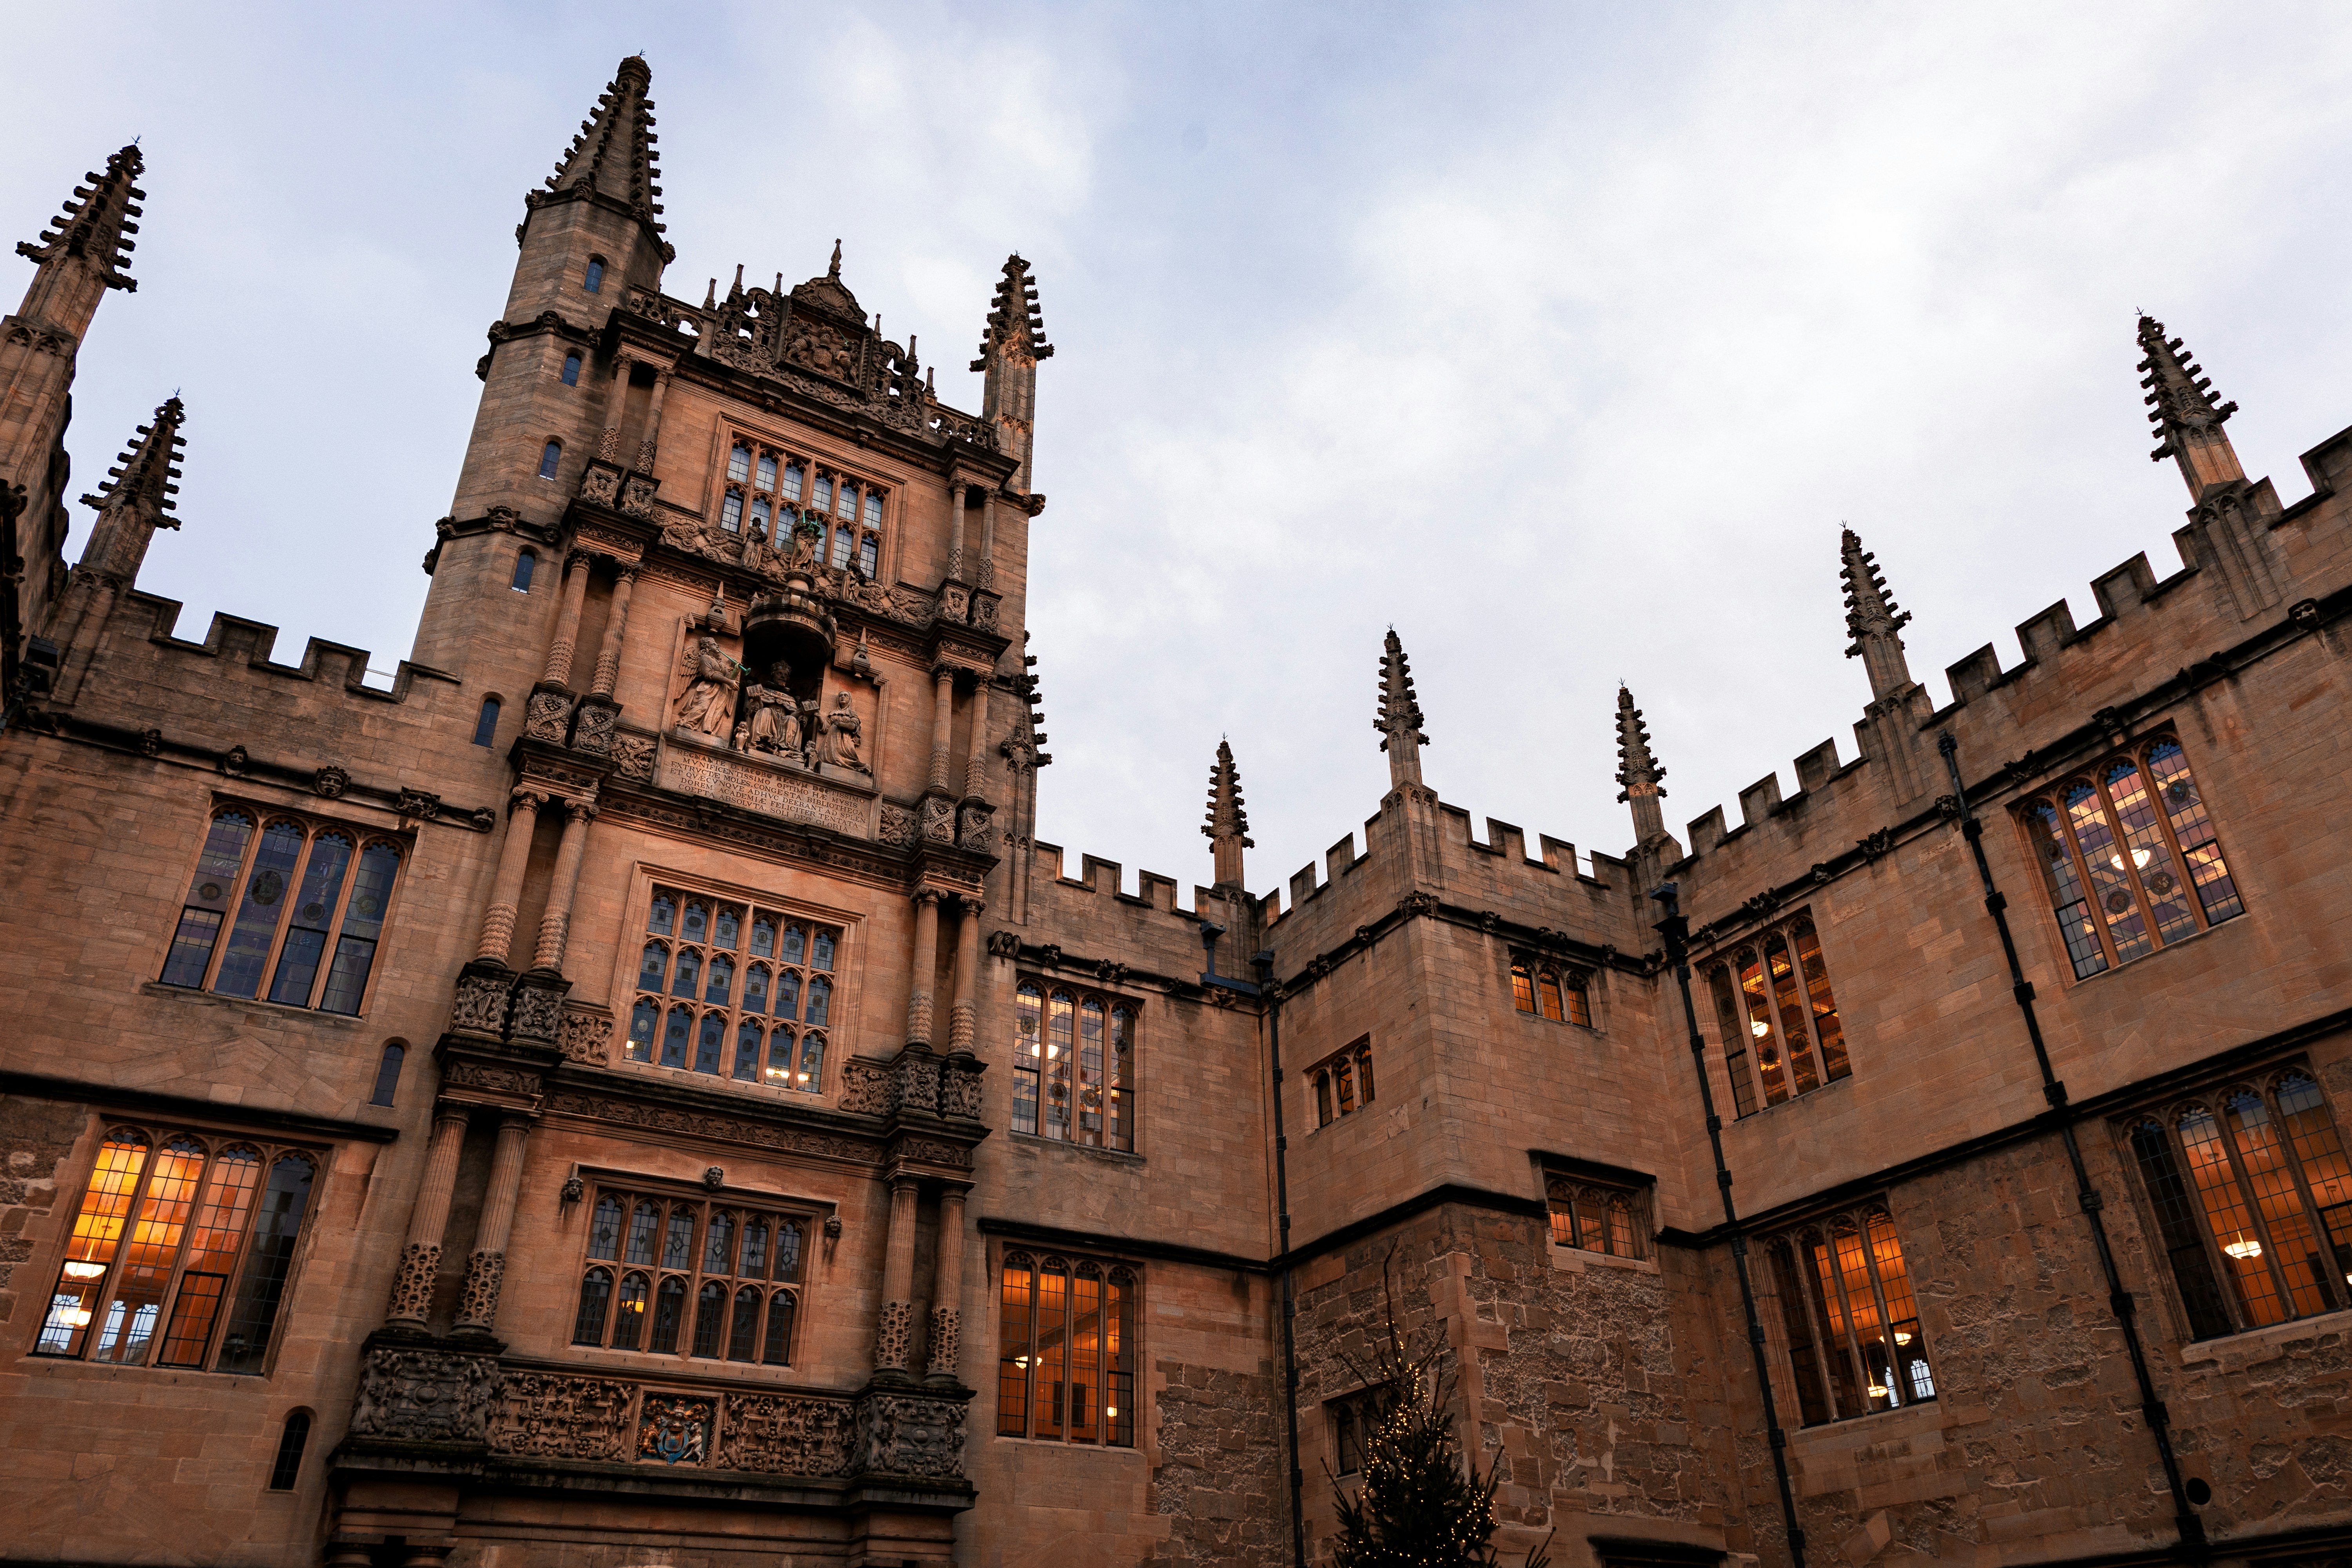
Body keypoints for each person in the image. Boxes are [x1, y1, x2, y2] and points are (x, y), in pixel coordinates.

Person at [671, 634, 741, 738]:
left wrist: (736, 671)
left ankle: (707, 730)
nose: (717, 646)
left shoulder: (721, 664)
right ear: (708, 647)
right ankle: (688, 723)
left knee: (717, 713)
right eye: (714, 644)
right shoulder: (705, 658)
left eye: (717, 645)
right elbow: (709, 674)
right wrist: (729, 682)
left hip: (722, 692)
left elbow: (729, 678)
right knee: (703, 706)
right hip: (708, 688)